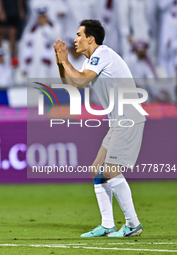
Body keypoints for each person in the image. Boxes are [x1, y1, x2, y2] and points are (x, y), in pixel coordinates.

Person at [53, 19, 145, 237]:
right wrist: (60, 63)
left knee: (111, 170)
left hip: (128, 117)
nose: (75, 40)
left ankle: (133, 224)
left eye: (79, 35)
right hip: (117, 121)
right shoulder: (89, 62)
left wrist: (66, 61)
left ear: (90, 39)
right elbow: (71, 88)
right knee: (97, 169)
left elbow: (82, 81)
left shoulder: (103, 53)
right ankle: (107, 225)